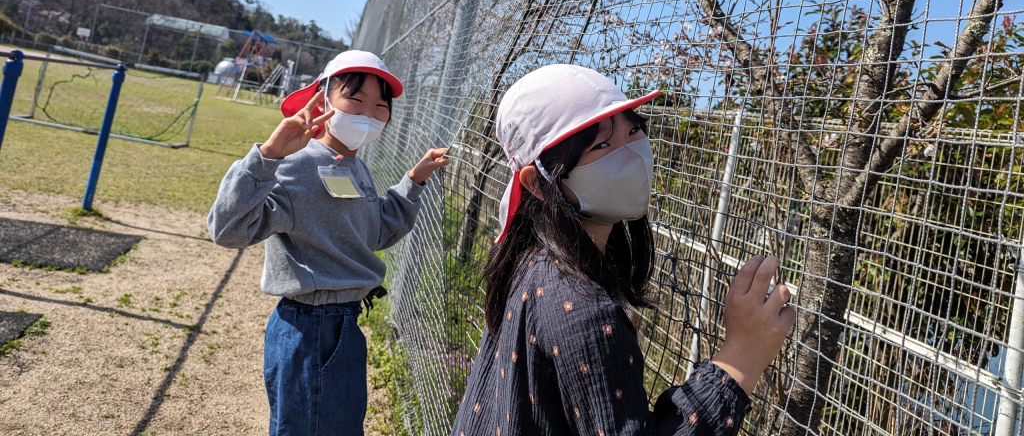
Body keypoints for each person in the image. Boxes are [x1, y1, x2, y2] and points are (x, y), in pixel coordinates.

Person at [450, 64, 795, 436]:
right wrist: (744, 353)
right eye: (601, 145)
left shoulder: (529, 261)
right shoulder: (582, 306)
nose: (631, 154)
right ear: (538, 181)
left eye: (632, 130)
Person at [207, 50, 448, 436]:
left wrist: (412, 183)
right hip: (312, 328)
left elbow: (374, 236)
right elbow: (227, 229)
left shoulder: (354, 166)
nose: (368, 113)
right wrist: (267, 156)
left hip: (341, 326)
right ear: (322, 99)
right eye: (355, 99)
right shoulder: (297, 163)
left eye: (380, 106)